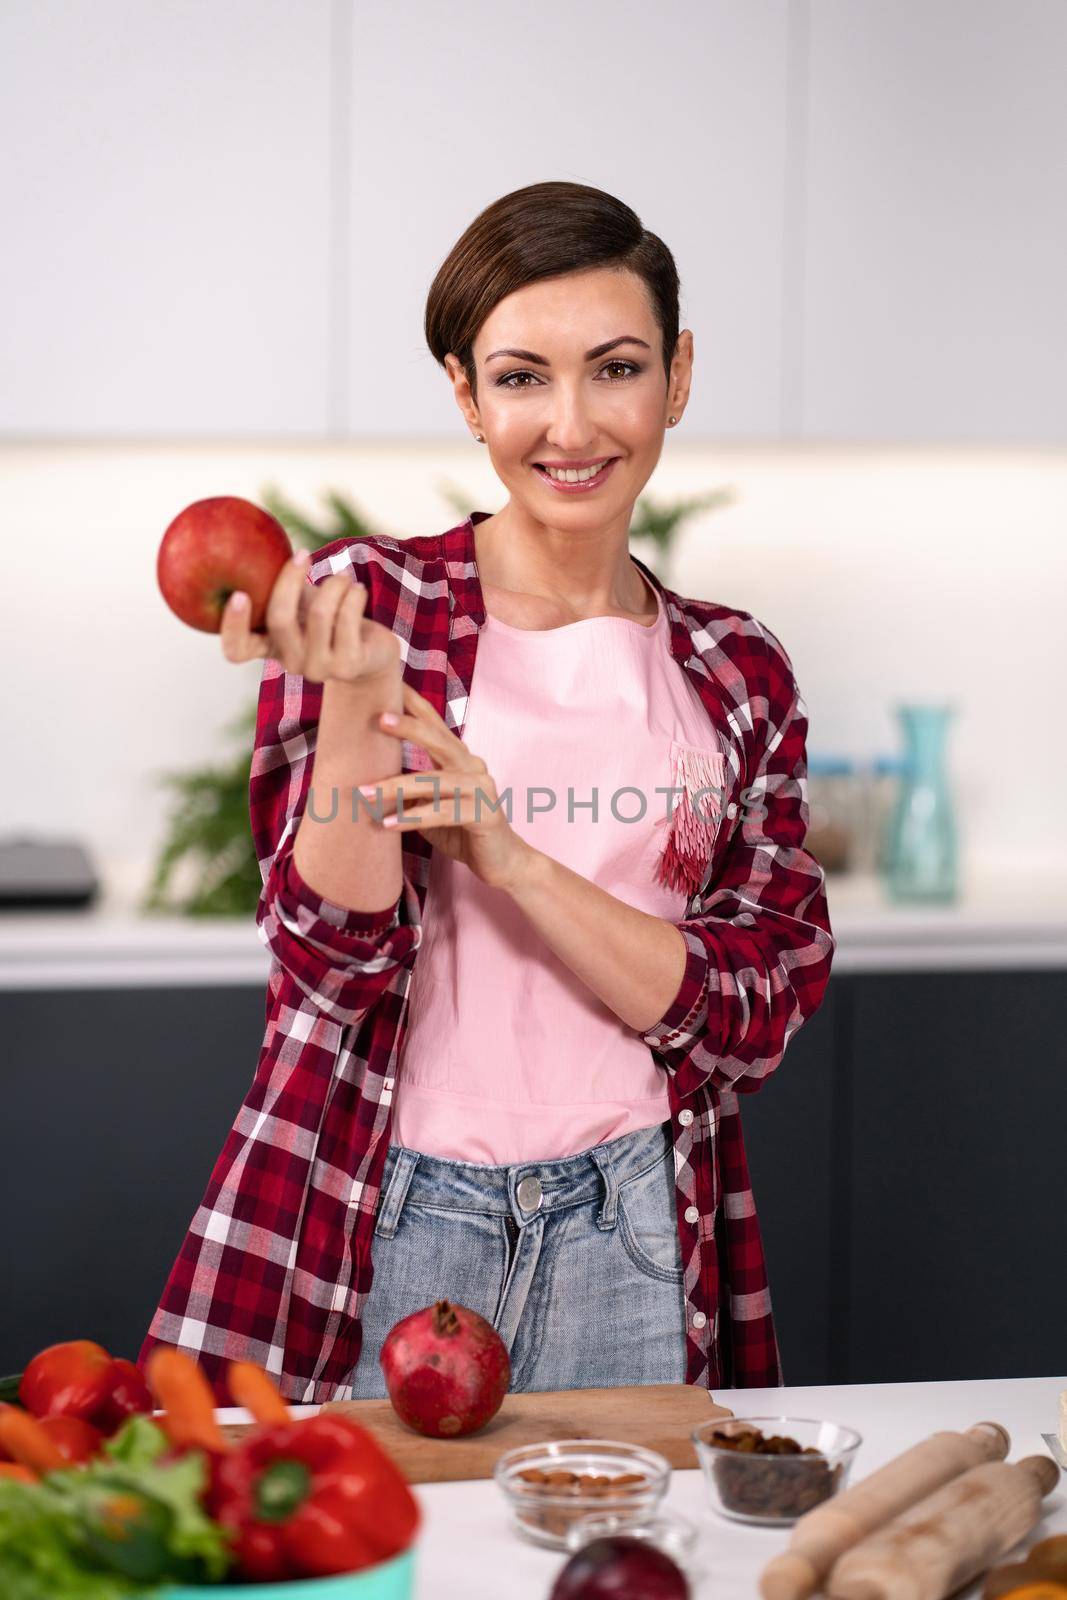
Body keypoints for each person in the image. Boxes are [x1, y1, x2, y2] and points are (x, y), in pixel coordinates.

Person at [139, 180, 835, 1405]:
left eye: (613, 368)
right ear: (465, 394)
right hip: (391, 1205)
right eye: (520, 378)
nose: (570, 425)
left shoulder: (735, 668)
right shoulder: (368, 604)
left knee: (630, 1571)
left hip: (637, 1214)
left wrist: (505, 856)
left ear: (675, 376)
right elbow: (330, 963)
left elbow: (750, 1011)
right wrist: (358, 699)